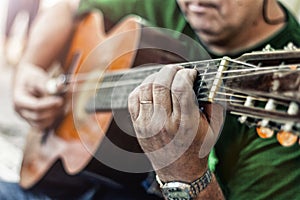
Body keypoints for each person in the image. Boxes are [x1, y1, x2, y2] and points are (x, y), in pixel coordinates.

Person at [0, 0, 299, 199]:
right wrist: (31, 66)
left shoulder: (283, 110)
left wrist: (182, 172)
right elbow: (67, 7)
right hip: (60, 181)